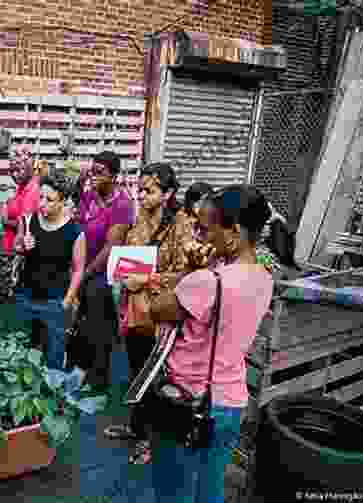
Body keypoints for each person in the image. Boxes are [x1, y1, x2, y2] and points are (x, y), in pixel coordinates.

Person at [145, 185, 275, 503]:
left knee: (173, 490)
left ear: (235, 231)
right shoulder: (263, 276)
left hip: (190, 402)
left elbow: (157, 307)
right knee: (209, 488)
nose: (201, 236)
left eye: (207, 228)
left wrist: (192, 270)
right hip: (230, 401)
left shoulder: (207, 281)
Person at [103, 162, 193, 465]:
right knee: (135, 372)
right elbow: (131, 256)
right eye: (139, 190)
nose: (141, 196)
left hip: (159, 313)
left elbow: (185, 273)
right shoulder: (139, 218)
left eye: (149, 191)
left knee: (152, 379)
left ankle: (147, 442)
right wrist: (124, 272)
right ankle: (135, 427)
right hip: (133, 309)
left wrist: (147, 280)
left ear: (167, 194)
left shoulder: (181, 224)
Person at [68, 151, 136, 390]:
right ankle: (83, 370)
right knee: (84, 322)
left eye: (100, 172)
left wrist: (84, 273)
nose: (95, 176)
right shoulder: (89, 196)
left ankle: (99, 379)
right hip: (84, 271)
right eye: (92, 170)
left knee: (99, 328)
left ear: (114, 176)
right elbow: (79, 217)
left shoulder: (122, 205)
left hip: (104, 276)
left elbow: (111, 246)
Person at [13, 174, 86, 370]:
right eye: (40, 197)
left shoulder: (75, 232)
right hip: (26, 297)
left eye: (49, 199)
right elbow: (16, 245)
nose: (42, 203)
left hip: (55, 302)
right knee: (20, 355)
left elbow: (79, 269)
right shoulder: (29, 221)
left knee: (53, 359)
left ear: (63, 201)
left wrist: (68, 301)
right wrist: (22, 246)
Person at [0, 144, 41, 255]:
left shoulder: (32, 190)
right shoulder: (21, 187)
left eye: (19, 170)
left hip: (21, 251)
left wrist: (6, 221)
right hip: (11, 248)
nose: (14, 174)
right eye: (11, 171)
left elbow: (26, 224)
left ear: (29, 168)